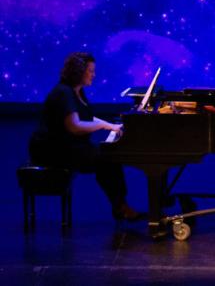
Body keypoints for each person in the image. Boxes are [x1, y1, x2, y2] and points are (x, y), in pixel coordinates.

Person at [29, 51, 141, 220]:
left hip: (66, 145)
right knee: (106, 159)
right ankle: (120, 206)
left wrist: (111, 126)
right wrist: (103, 125)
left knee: (108, 157)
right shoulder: (63, 93)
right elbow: (75, 126)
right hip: (52, 150)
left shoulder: (77, 91)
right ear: (78, 71)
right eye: (90, 71)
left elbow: (85, 117)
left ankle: (119, 205)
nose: (93, 75)